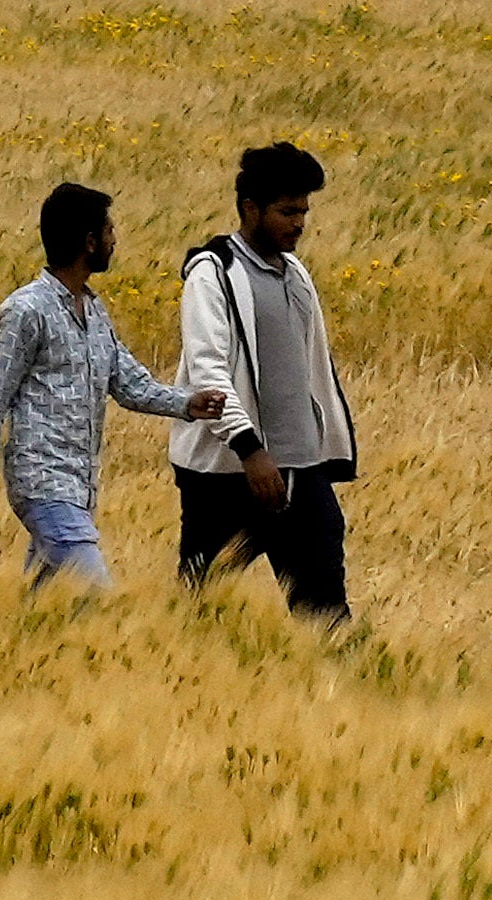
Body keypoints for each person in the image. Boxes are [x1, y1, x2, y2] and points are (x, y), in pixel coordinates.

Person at [0, 184, 229, 590]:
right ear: (89, 241)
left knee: (45, 618)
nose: (115, 240)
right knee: (97, 594)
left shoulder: (94, 310)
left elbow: (130, 384)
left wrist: (188, 403)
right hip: (43, 485)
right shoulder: (26, 311)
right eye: (110, 230)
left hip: (80, 490)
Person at [172, 144, 360, 622]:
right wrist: (250, 451)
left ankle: (337, 694)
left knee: (325, 611)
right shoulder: (212, 274)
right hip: (228, 476)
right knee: (201, 605)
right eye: (286, 211)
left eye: (303, 211)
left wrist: (325, 448)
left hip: (302, 470)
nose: (298, 223)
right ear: (250, 208)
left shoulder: (295, 274)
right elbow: (208, 368)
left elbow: (312, 366)